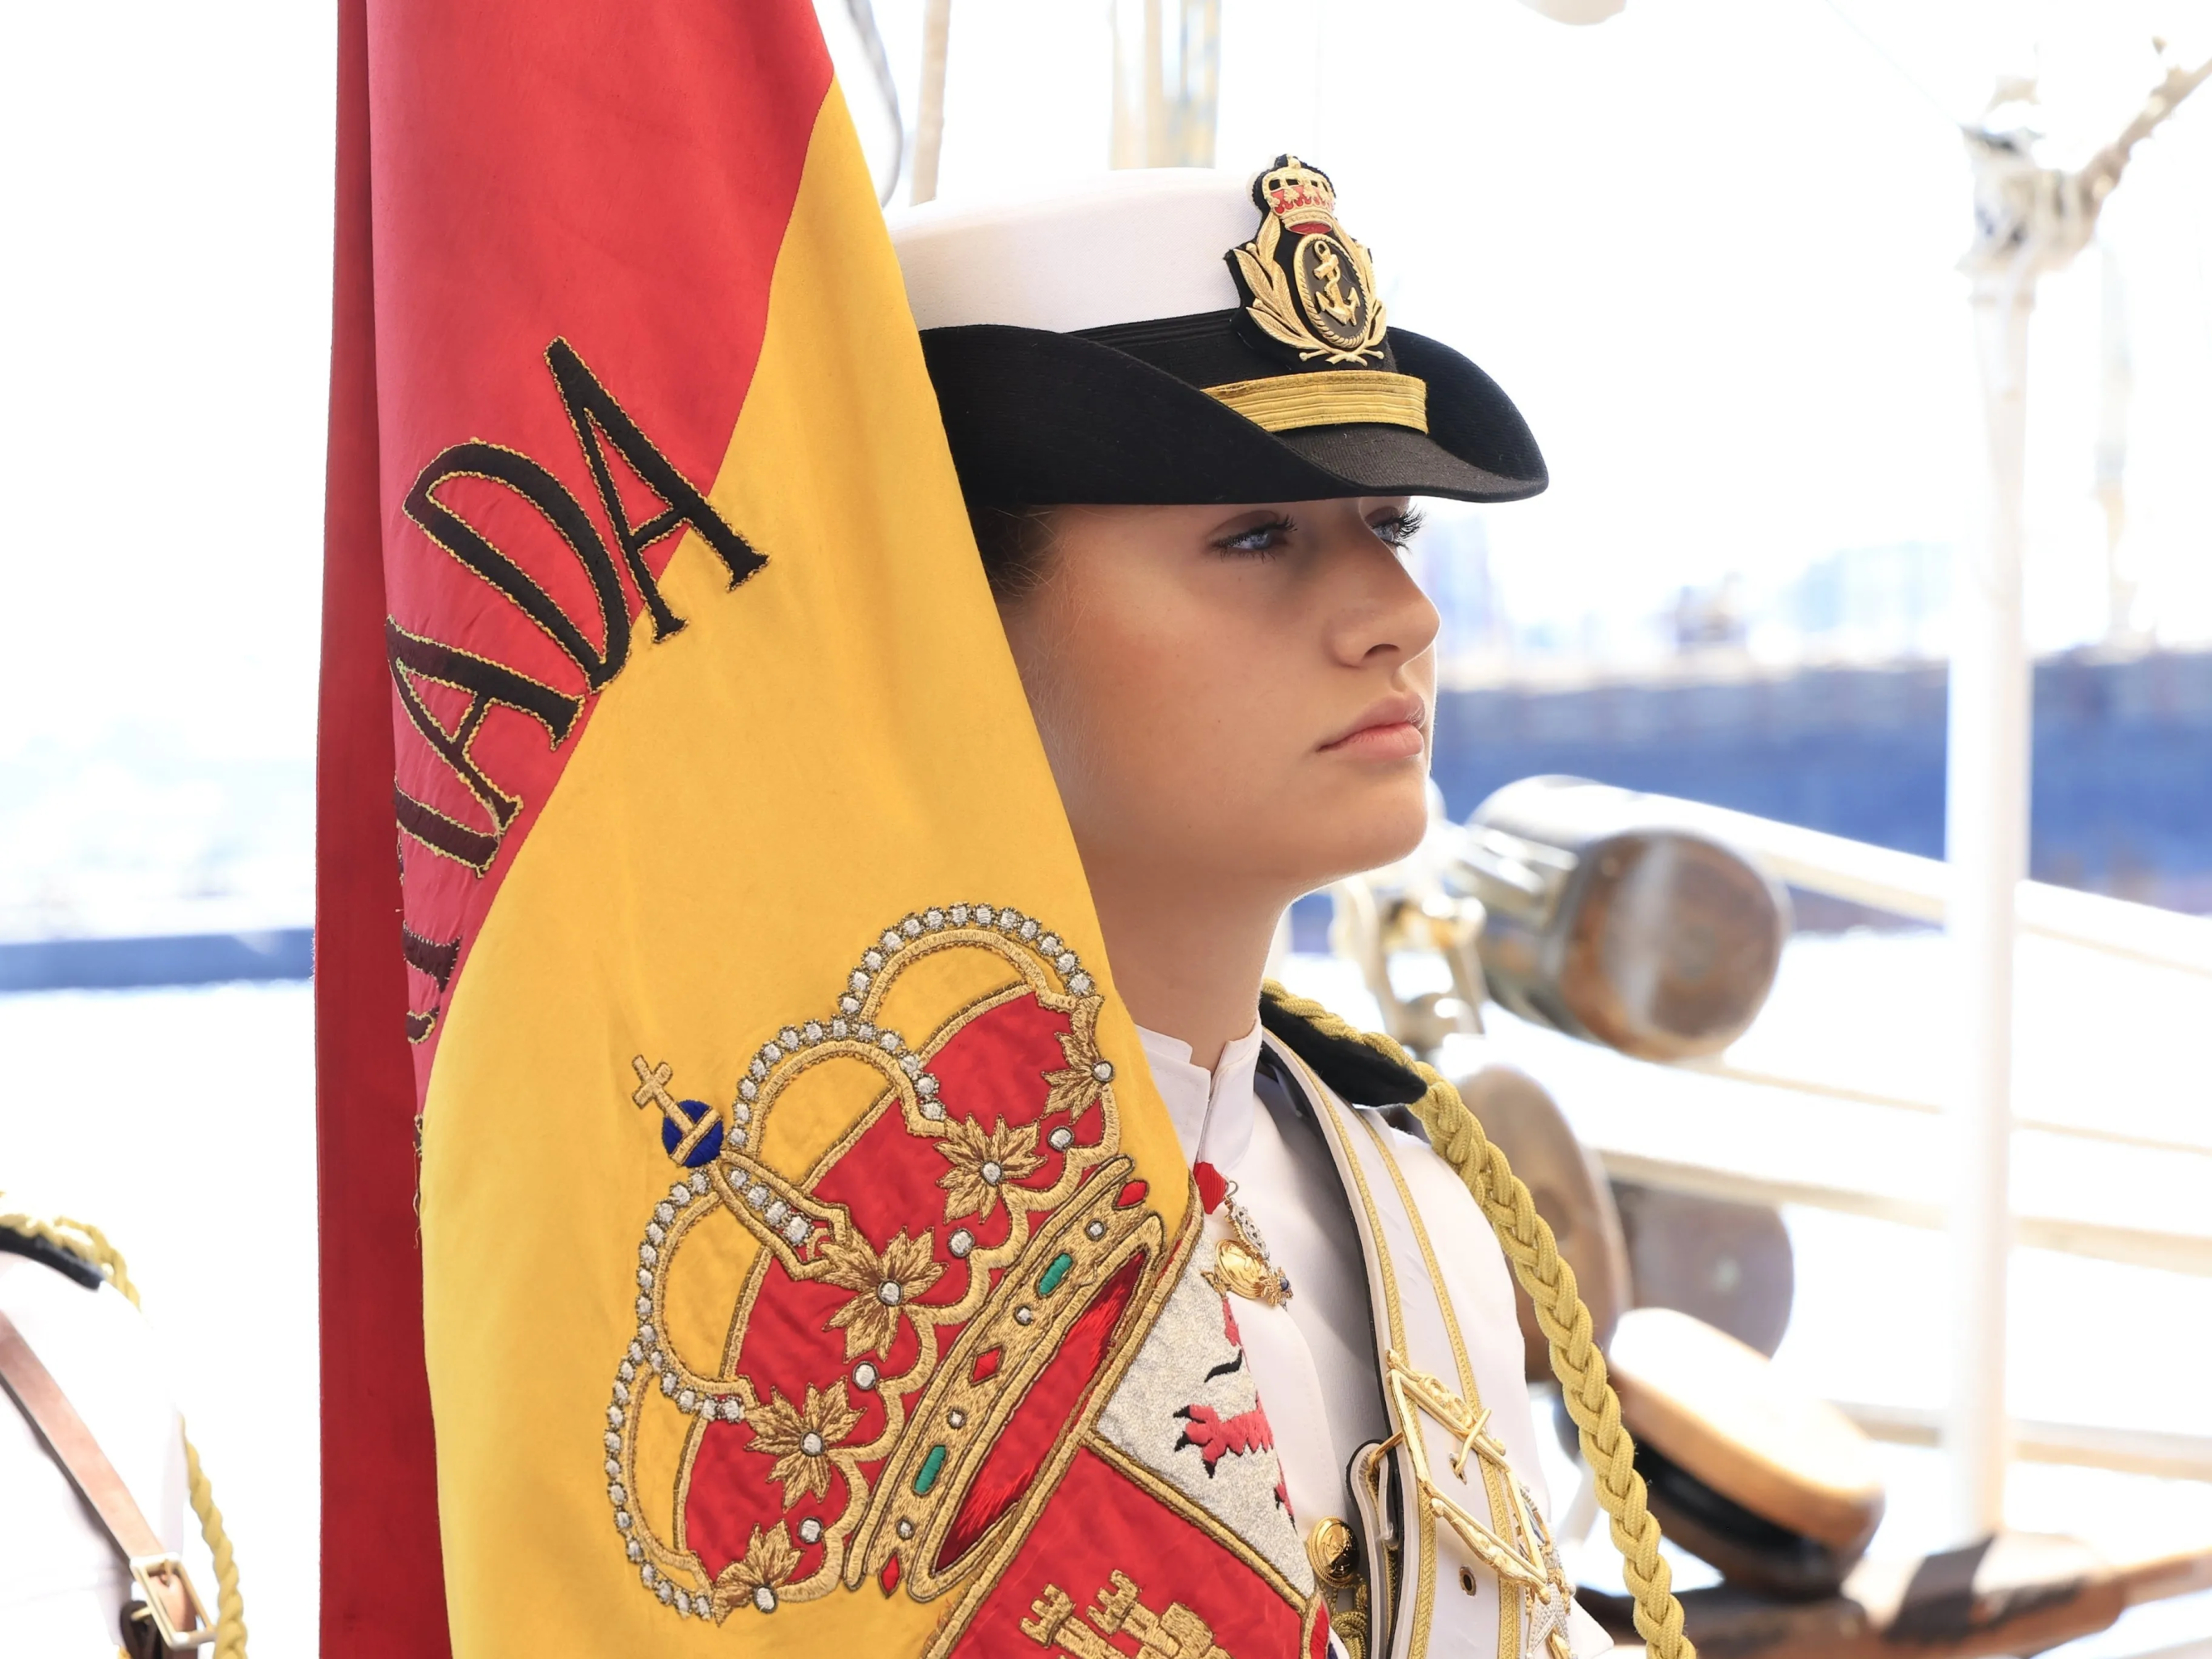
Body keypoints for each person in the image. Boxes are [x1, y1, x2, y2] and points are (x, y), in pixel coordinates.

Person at [890, 157, 1615, 1659]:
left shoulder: (1420, 1217)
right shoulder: (847, 1266)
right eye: (1255, 538)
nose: (1399, 618)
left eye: (1389, 526)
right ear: (948, 624)